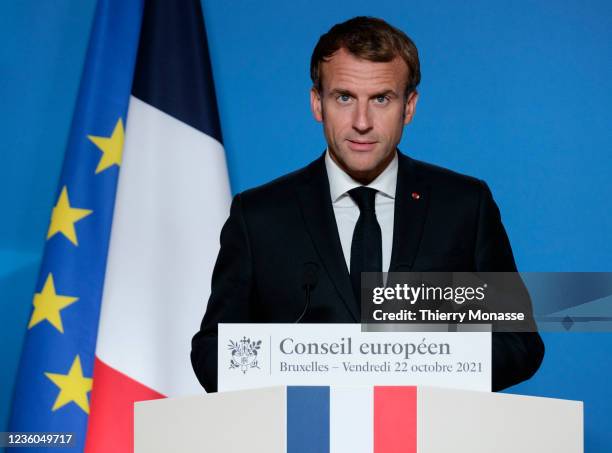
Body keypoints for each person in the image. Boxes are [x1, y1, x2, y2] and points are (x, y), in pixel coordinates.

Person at [191, 16, 544, 393]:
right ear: (317, 103)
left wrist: (418, 365)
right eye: (344, 97)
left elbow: (518, 342)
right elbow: (213, 353)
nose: (361, 122)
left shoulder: (463, 206)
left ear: (409, 106)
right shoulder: (259, 216)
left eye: (381, 99)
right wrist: (314, 368)